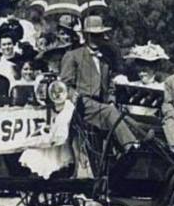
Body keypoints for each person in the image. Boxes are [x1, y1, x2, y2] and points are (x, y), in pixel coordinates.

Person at [59, 15, 144, 153]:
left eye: (98, 35)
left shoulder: (105, 58)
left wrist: (111, 98)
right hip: (83, 104)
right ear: (86, 36)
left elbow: (110, 82)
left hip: (102, 105)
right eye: (92, 35)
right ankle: (132, 146)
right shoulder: (73, 56)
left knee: (122, 115)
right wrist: (73, 95)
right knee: (110, 112)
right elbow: (64, 85)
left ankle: (144, 140)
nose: (96, 39)